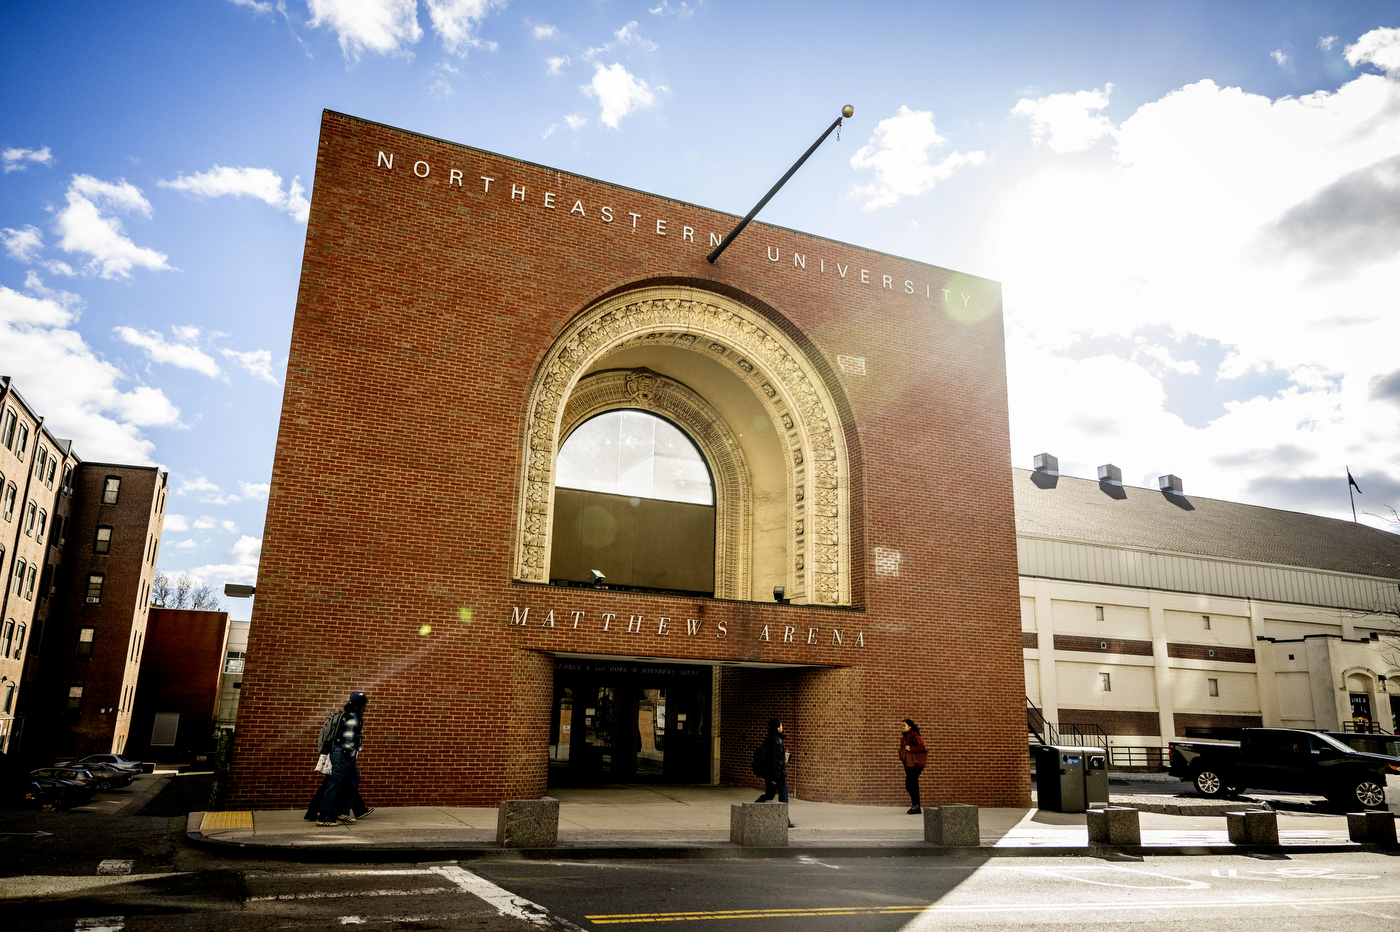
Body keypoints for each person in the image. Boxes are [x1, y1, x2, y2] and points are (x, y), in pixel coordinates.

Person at [313, 691, 372, 827]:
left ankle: (342, 811)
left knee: (354, 780)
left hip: (345, 753)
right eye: (363, 703)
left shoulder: (351, 714)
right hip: (344, 754)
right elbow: (348, 740)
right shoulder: (352, 716)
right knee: (335, 783)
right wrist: (351, 754)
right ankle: (324, 816)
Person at [755, 718, 795, 828]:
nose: (783, 727)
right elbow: (776, 761)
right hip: (778, 774)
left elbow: (774, 758)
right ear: (777, 728)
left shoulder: (770, 739)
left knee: (769, 795)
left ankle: (753, 808)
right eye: (781, 725)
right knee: (783, 796)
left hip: (771, 773)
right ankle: (784, 820)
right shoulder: (777, 741)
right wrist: (776, 778)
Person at [899, 718, 928, 813]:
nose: (902, 727)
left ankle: (916, 806)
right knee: (910, 785)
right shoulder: (904, 737)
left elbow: (922, 747)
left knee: (912, 784)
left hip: (915, 765)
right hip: (908, 764)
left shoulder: (915, 736)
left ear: (910, 726)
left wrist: (911, 748)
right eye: (902, 725)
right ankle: (916, 806)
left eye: (904, 725)